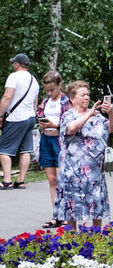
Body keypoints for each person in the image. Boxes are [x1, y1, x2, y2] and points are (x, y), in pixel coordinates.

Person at [54, 81, 113, 228]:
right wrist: (89, 113)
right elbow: (71, 129)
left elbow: (111, 128)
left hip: (95, 173)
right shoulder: (68, 115)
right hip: (73, 173)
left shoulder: (98, 116)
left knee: (97, 210)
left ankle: (96, 241)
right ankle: (71, 244)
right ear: (72, 98)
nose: (87, 97)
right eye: (83, 95)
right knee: (72, 211)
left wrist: (111, 113)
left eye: (88, 94)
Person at [36, 71, 70, 227]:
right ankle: (56, 215)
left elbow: (71, 123)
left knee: (62, 179)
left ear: (59, 85)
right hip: (46, 139)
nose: (49, 93)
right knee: (52, 180)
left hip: (59, 140)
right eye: (47, 90)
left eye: (52, 90)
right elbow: (39, 113)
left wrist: (55, 125)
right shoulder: (45, 102)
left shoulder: (66, 102)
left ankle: (66, 215)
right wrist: (42, 122)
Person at [0, 53, 39, 189]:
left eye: (13, 63)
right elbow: (35, 103)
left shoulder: (13, 77)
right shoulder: (34, 80)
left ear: (17, 64)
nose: (12, 65)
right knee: (25, 149)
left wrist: (0, 115)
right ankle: (20, 180)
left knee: (4, 150)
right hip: (30, 118)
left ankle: (6, 180)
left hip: (16, 118)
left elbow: (7, 97)